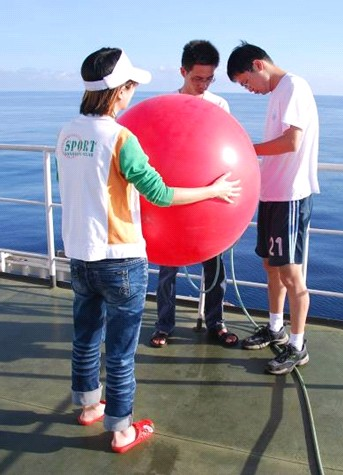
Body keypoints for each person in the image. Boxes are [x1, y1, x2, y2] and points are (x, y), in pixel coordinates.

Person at [55, 47, 241, 453]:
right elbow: (159, 194)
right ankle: (122, 429)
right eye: (131, 87)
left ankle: (88, 406)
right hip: (119, 258)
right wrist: (213, 190)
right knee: (121, 352)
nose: (133, 94)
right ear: (119, 90)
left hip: (80, 255)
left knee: (86, 337)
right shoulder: (121, 138)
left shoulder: (67, 133)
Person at [227, 42, 320, 375]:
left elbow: (292, 141)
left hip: (290, 196)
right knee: (271, 266)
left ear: (258, 65)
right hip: (272, 194)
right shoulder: (278, 92)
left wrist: (247, 148)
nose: (248, 88)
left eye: (245, 81)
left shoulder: (294, 87)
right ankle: (276, 327)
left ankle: (297, 346)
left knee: (292, 275)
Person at [151, 40, 239, 349]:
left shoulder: (219, 106)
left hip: (210, 197)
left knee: (215, 266)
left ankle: (216, 322)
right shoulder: (166, 105)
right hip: (174, 197)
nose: (203, 85)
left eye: (209, 79)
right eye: (197, 78)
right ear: (183, 72)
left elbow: (227, 151)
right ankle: (164, 325)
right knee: (167, 268)